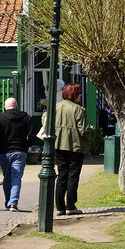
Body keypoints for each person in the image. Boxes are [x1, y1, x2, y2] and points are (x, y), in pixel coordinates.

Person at [53, 83, 92, 216]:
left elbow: (45, 120)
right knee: (73, 176)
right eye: (79, 92)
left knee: (61, 175)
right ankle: (70, 205)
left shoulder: (55, 107)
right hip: (75, 146)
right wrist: (89, 136)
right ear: (75, 94)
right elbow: (84, 130)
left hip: (58, 145)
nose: (80, 95)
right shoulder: (78, 109)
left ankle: (59, 207)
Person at [0, 97, 33, 212]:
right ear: (16, 106)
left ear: (4, 106)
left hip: (4, 152)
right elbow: (32, 135)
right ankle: (13, 202)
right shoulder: (26, 117)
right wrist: (26, 146)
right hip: (20, 150)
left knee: (7, 177)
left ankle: (8, 201)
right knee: (16, 177)